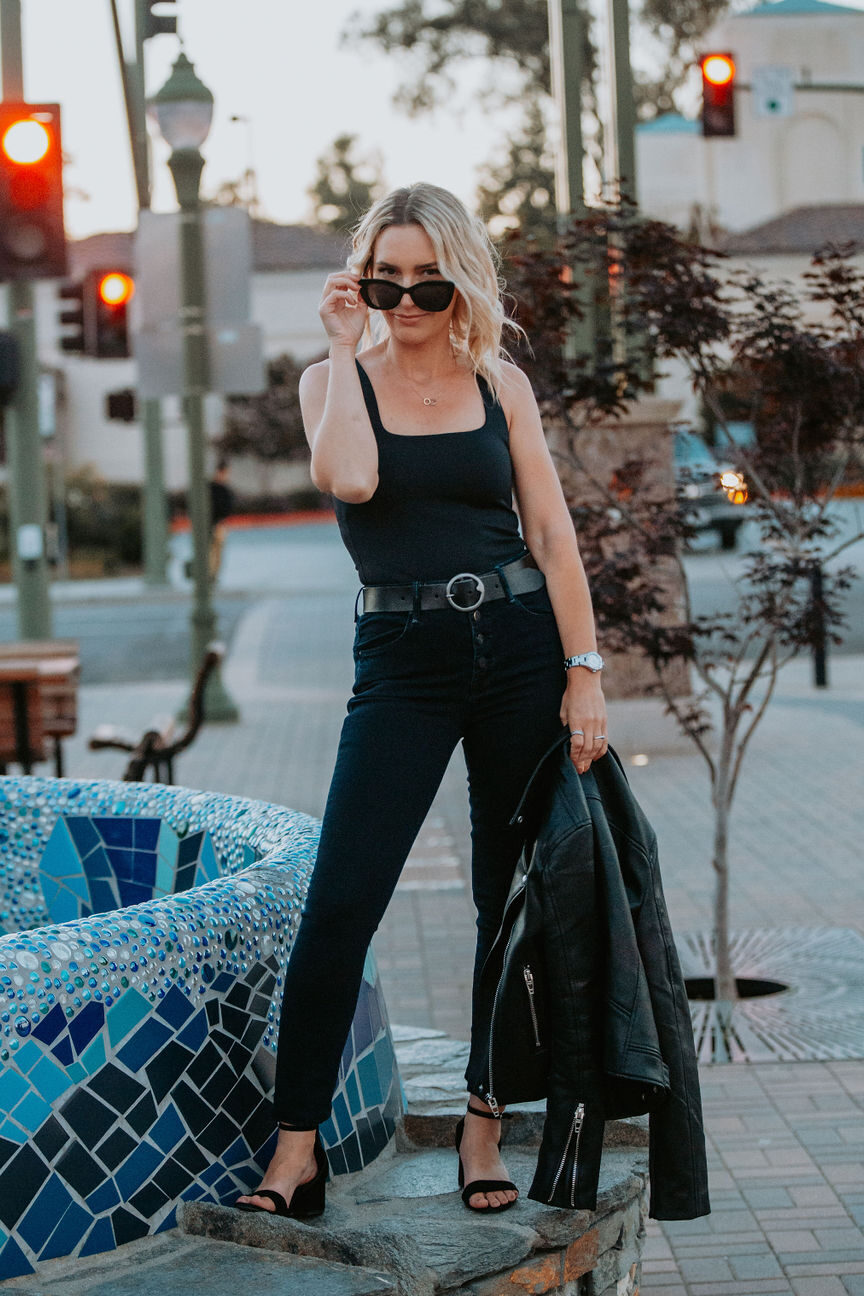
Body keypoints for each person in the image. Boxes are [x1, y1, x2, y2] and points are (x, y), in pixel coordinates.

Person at [235, 182, 609, 1219]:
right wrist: (350, 348)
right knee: (344, 897)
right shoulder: (331, 380)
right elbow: (352, 481)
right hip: (401, 655)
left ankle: (484, 1121)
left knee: (507, 892)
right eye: (386, 278)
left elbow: (553, 537)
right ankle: (298, 1144)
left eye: (428, 283)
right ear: (360, 278)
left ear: (460, 284)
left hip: (523, 647)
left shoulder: (502, 385)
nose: (407, 300)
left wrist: (587, 672)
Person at [208, 459, 235, 581]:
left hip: (221, 524)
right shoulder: (212, 488)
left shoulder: (225, 489)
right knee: (211, 551)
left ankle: (214, 576)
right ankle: (209, 575)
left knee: (218, 552)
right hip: (211, 525)